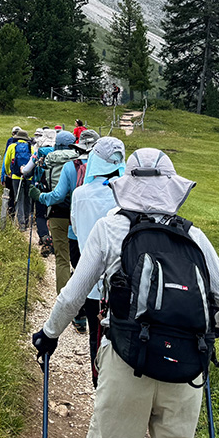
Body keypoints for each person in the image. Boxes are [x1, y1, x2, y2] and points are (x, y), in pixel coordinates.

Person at [31, 148, 219, 438]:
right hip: (185, 369)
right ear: (173, 187)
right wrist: (208, 331)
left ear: (126, 182)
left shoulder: (110, 229)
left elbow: (72, 296)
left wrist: (49, 335)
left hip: (127, 359)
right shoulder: (194, 237)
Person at [69, 135, 126, 386]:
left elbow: (76, 228)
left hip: (91, 279)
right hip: (126, 281)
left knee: (97, 332)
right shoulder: (128, 195)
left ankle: (99, 382)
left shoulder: (80, 195)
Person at [30, 128, 100, 332]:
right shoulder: (107, 168)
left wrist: (39, 197)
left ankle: (68, 306)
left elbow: (58, 195)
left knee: (62, 259)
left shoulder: (69, 166)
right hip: (93, 220)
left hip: (62, 217)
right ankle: (91, 307)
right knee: (90, 262)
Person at [22, 127, 56, 254]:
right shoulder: (62, 152)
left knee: (40, 215)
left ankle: (45, 237)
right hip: (58, 189)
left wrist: (22, 170)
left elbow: (27, 170)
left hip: (41, 188)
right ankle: (55, 239)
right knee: (54, 215)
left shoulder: (39, 152)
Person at [2, 126, 32, 226]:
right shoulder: (30, 147)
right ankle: (27, 221)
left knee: (18, 198)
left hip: (15, 176)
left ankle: (21, 223)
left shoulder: (12, 146)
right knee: (27, 199)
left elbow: (6, 162)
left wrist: (8, 172)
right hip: (28, 176)